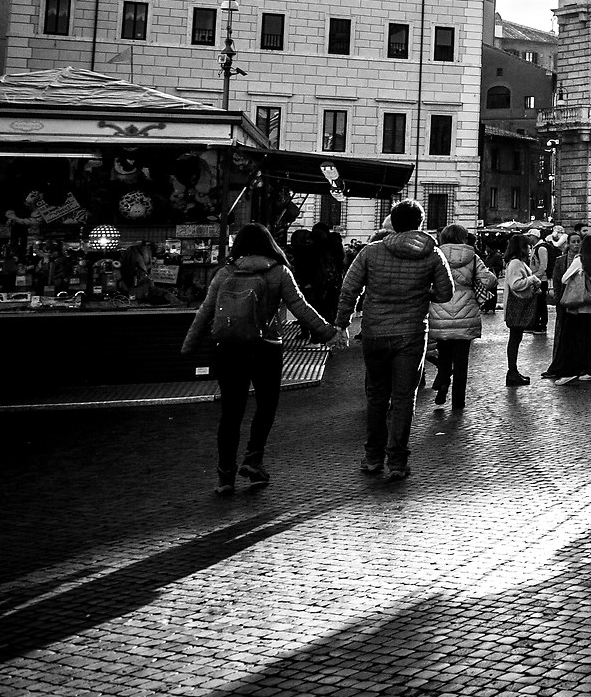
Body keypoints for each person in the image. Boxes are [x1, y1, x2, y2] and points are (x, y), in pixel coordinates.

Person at [183, 225, 339, 494]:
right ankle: (253, 461)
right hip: (266, 348)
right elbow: (300, 308)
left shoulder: (224, 273)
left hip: (229, 348)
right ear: (270, 245)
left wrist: (189, 345)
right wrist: (327, 332)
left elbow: (205, 311)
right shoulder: (278, 272)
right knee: (266, 406)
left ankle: (225, 477)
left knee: (231, 413)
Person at [334, 201, 453, 481]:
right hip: (411, 332)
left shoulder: (371, 251)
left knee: (376, 395)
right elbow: (446, 293)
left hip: (375, 331)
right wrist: (423, 294)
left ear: (392, 222)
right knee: (403, 397)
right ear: (420, 223)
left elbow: (349, 289)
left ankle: (373, 456)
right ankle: (397, 461)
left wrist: (341, 324)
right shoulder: (432, 254)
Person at [427, 225, 495, 411]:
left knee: (443, 353)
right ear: (463, 238)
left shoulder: (434, 255)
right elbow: (489, 281)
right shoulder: (473, 257)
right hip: (466, 312)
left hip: (440, 311)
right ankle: (458, 402)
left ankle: (442, 380)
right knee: (462, 361)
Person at [549, 225, 591, 383]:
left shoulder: (580, 260)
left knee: (573, 338)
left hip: (582, 304)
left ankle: (570, 371)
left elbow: (564, 278)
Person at [500, 232, 544, 387]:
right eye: (527, 246)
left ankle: (513, 371)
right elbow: (516, 284)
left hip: (517, 306)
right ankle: (512, 372)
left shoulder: (517, 262)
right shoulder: (516, 264)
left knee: (516, 339)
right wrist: (532, 280)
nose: (530, 248)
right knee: (514, 339)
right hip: (516, 306)